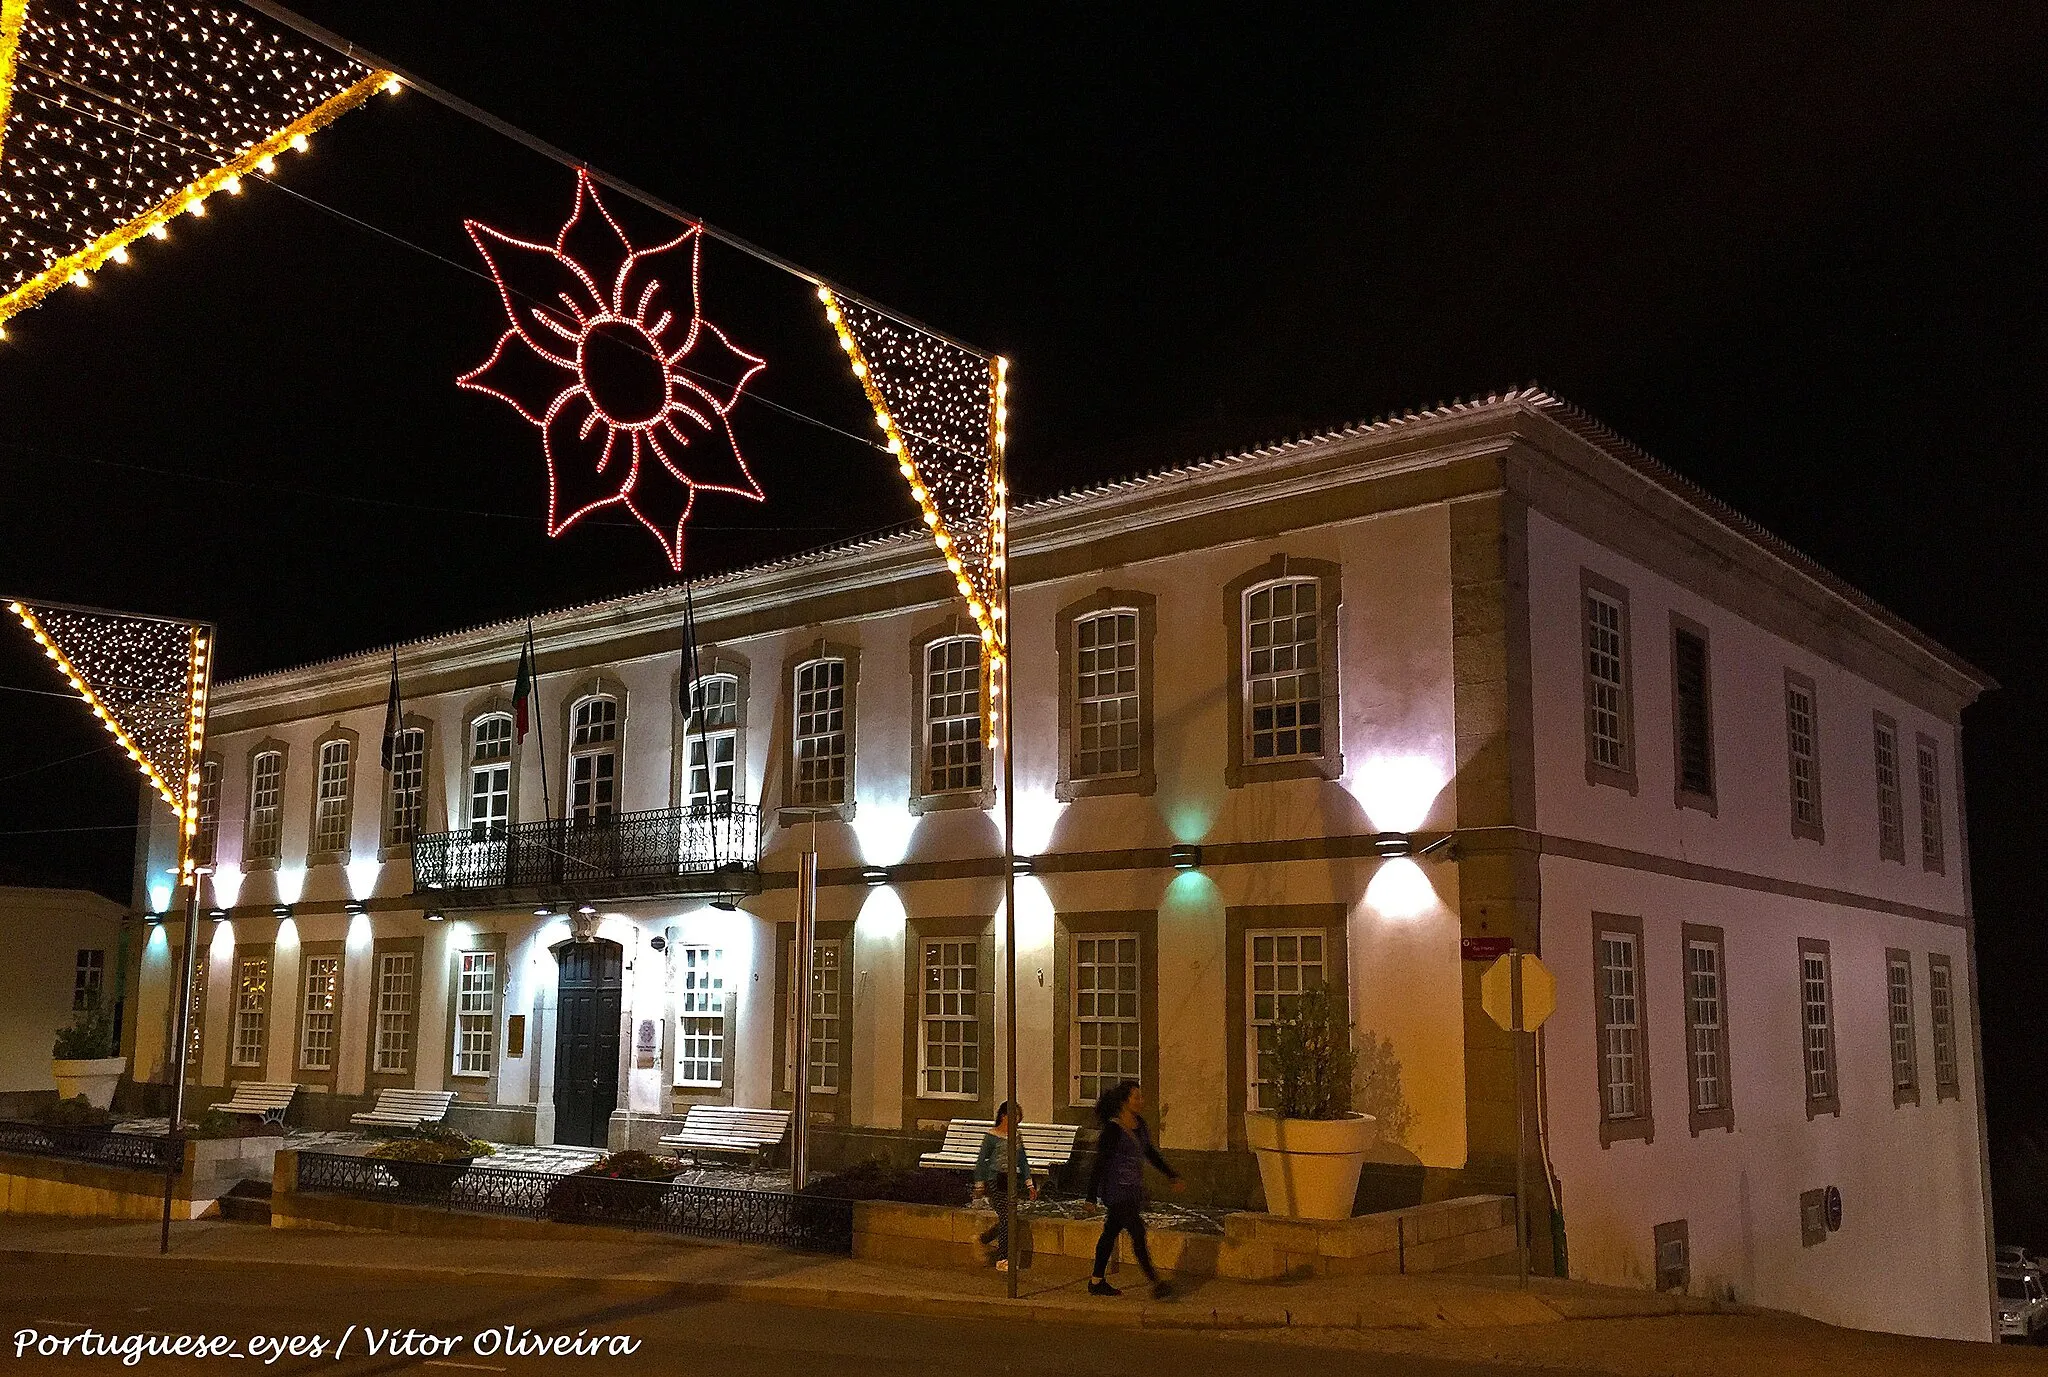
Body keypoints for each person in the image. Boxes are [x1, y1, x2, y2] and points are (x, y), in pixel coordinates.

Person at [1085, 1080, 1183, 1299]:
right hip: (1116, 1190)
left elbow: (1150, 1153)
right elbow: (1100, 1163)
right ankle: (1156, 1282)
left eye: (1141, 1097)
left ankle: (1096, 1281)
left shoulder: (1140, 1125)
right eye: (1136, 1097)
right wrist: (1091, 1196)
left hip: (1132, 1189)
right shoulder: (1113, 1129)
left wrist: (1171, 1175)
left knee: (1110, 1232)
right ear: (1124, 1101)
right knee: (1137, 1232)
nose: (1141, 1101)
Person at [972, 1101, 1035, 1270]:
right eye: (1014, 1118)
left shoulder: (1017, 1136)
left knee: (1009, 1218)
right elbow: (981, 1161)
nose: (1016, 1123)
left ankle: (984, 1239)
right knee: (1007, 1217)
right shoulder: (991, 1137)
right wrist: (980, 1184)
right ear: (1003, 1116)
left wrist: (1029, 1184)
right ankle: (1003, 1258)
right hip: (995, 1179)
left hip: (1010, 1180)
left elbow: (1022, 1160)